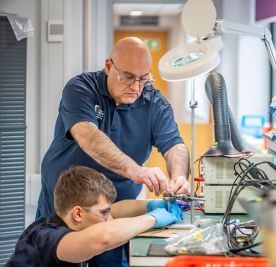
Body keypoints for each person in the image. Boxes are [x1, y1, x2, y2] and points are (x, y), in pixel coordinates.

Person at [36, 37, 190, 266]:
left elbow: (175, 146)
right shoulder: (81, 88)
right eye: (127, 76)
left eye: (143, 78)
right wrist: (135, 171)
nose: (136, 87)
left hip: (115, 213)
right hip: (65, 209)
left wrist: (178, 175)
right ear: (109, 66)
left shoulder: (155, 103)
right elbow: (88, 136)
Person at [6, 166, 182, 267]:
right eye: (104, 213)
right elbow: (103, 238)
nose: (110, 218)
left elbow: (115, 210)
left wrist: (151, 205)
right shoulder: (45, 236)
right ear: (78, 213)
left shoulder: (69, 223)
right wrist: (152, 218)